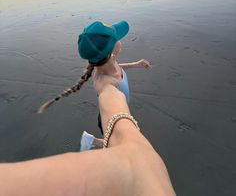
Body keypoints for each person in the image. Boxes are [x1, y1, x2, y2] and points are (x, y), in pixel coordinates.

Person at [0, 79, 176, 196]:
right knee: (116, 141)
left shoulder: (109, 72)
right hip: (114, 114)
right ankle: (91, 141)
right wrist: (110, 93)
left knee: (118, 141)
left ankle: (92, 141)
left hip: (116, 111)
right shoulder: (105, 78)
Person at [77, 20, 151, 150]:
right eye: (117, 38)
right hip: (108, 117)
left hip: (117, 110)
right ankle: (90, 141)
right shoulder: (105, 84)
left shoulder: (108, 62)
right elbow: (110, 97)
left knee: (111, 142)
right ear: (111, 51)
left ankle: (89, 140)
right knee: (115, 145)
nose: (120, 40)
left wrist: (136, 64)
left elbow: (117, 67)